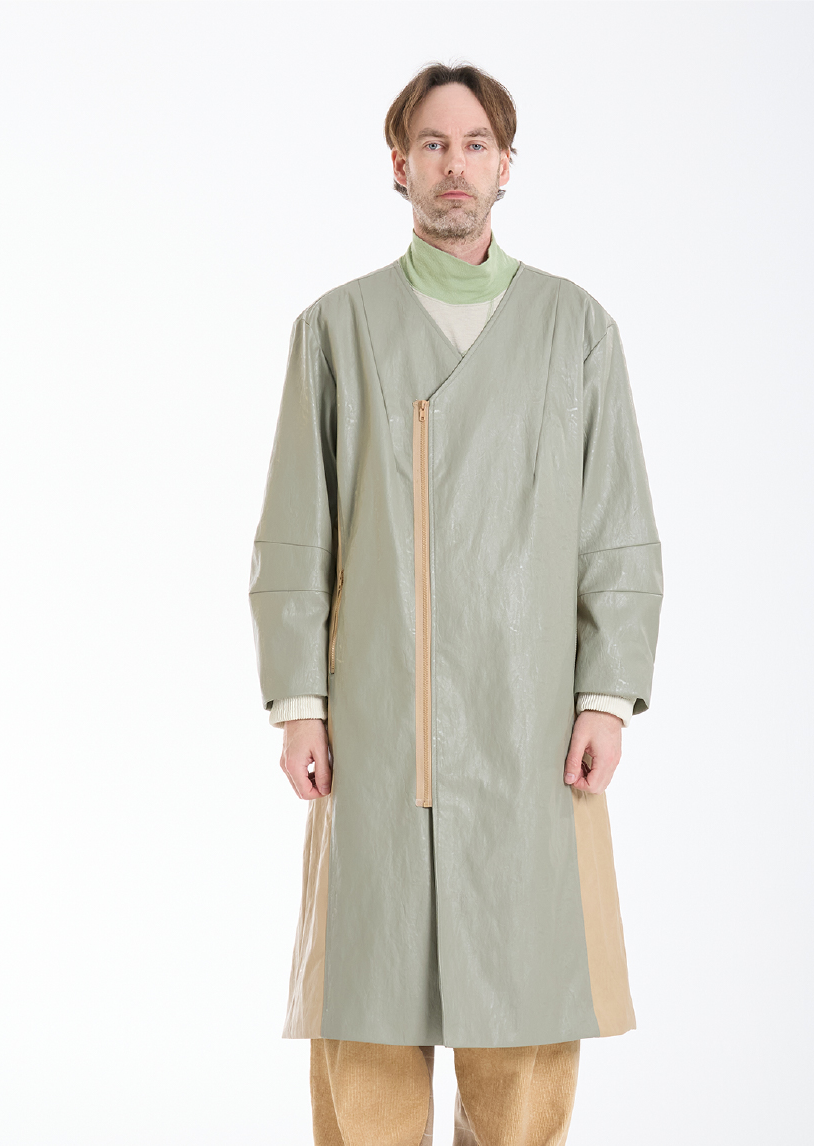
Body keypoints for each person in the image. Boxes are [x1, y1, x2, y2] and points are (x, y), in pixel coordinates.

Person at [248, 60, 664, 1146]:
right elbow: (295, 530)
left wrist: (605, 698)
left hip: (529, 734)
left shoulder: (576, 329)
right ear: (398, 165)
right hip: (376, 729)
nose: (454, 165)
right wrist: (299, 704)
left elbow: (618, 528)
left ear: (506, 165)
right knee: (369, 1031)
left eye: (476, 144)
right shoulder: (336, 330)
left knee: (523, 1031)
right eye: (432, 144)